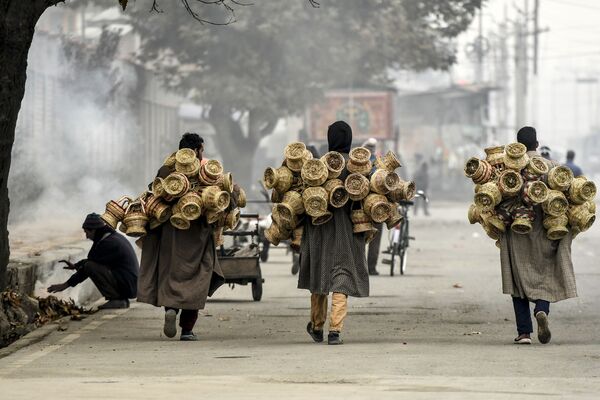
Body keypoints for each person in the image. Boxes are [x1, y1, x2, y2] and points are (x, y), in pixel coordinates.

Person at [137, 133, 225, 341]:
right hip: (198, 234)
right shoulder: (207, 171)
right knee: (199, 278)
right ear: (197, 150)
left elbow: (153, 192)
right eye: (202, 150)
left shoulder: (166, 170)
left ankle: (171, 310)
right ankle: (187, 329)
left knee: (171, 274)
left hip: (171, 232)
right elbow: (226, 196)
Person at [499, 126, 577, 345]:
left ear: (518, 145)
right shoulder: (552, 167)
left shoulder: (508, 171)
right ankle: (541, 310)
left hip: (517, 233)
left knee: (518, 280)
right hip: (546, 231)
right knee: (545, 275)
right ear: (537, 144)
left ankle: (524, 333)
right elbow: (570, 199)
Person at [299, 121, 369, 345]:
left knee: (320, 275)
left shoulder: (318, 166)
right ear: (349, 140)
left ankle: (317, 326)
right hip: (347, 231)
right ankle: (335, 331)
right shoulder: (359, 167)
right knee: (342, 277)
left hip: (319, 229)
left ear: (330, 139)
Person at [48, 213, 139, 309]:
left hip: (128, 285)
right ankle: (120, 300)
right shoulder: (110, 237)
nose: (87, 236)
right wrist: (76, 265)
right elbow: (92, 259)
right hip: (129, 284)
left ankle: (116, 300)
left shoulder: (108, 243)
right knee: (89, 265)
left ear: (94, 230)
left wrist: (65, 285)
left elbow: (88, 266)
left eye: (87, 232)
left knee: (90, 266)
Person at [363, 137, 381, 275]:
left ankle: (360, 267)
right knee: (375, 238)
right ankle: (372, 268)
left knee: (360, 237)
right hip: (377, 205)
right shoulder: (379, 163)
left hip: (361, 205)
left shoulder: (357, 162)